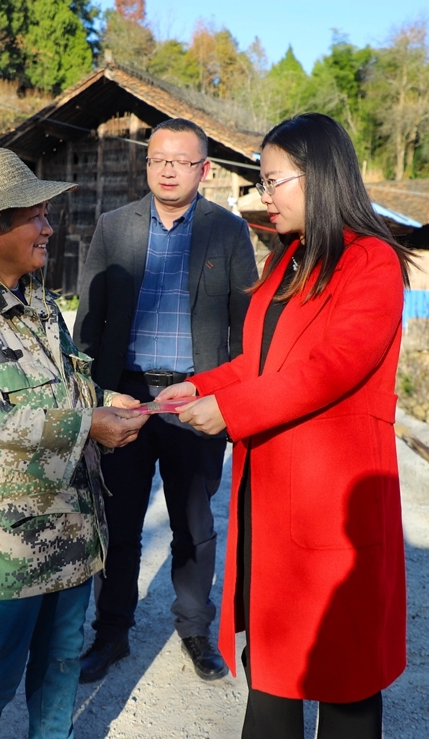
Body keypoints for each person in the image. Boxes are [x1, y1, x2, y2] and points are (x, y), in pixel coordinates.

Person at [157, 113, 412, 738]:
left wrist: (232, 411)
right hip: (272, 500)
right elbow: (260, 360)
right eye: (263, 182)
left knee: (344, 684)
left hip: (331, 504)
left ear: (318, 176)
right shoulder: (289, 260)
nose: (264, 196)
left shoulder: (370, 263)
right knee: (272, 676)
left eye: (274, 181)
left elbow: (332, 367)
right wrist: (202, 385)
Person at [0, 147, 149, 739]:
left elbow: (64, 387)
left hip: (71, 536)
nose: (49, 226)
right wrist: (86, 426)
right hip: (7, 549)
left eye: (47, 214)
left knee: (59, 680)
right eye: (35, 216)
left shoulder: (41, 301)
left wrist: (102, 402)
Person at [73, 118, 258, 682]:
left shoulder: (227, 232)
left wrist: (224, 396)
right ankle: (111, 634)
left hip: (194, 400)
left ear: (205, 168)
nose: (169, 169)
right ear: (147, 165)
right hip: (126, 393)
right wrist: (96, 396)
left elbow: (243, 328)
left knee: (194, 521)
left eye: (182, 160)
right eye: (158, 159)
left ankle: (196, 629)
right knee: (120, 520)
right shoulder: (114, 227)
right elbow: (89, 321)